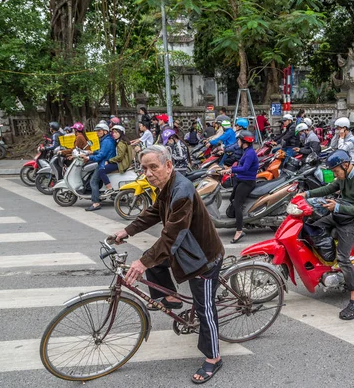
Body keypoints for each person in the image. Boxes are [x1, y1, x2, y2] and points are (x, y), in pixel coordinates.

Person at [112, 145, 225, 383]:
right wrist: (127, 230)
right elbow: (154, 212)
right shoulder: (165, 186)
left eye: (153, 167)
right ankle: (171, 297)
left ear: (168, 165)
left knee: (204, 308)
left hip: (203, 257)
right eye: (144, 168)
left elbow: (172, 235)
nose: (148, 173)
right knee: (153, 260)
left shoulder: (181, 190)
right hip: (185, 247)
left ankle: (213, 358)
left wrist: (142, 263)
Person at [298, 150, 354, 320]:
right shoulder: (343, 176)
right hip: (341, 215)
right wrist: (307, 194)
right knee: (313, 228)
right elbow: (330, 187)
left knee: (343, 258)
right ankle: (328, 266)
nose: (335, 174)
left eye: (336, 171)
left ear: (345, 165)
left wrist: (337, 207)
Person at [221, 130, 259, 243]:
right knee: (231, 198)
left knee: (237, 204)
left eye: (239, 140)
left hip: (247, 182)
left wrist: (230, 170)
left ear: (244, 142)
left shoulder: (250, 153)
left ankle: (239, 230)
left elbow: (244, 169)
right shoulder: (246, 151)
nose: (237, 141)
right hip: (241, 180)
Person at [81, 123, 117, 211]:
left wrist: (89, 157)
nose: (97, 133)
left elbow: (102, 155)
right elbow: (101, 152)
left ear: (105, 131)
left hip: (104, 163)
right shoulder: (105, 139)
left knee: (93, 181)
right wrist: (92, 152)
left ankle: (96, 203)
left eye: (99, 131)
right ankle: (97, 196)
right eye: (97, 131)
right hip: (103, 162)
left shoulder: (106, 141)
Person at [97, 125, 133, 196]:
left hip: (121, 163)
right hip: (121, 162)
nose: (114, 134)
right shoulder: (121, 141)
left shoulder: (121, 143)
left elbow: (119, 157)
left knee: (101, 170)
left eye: (116, 132)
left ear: (121, 133)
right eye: (113, 133)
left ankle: (109, 188)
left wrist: (109, 160)